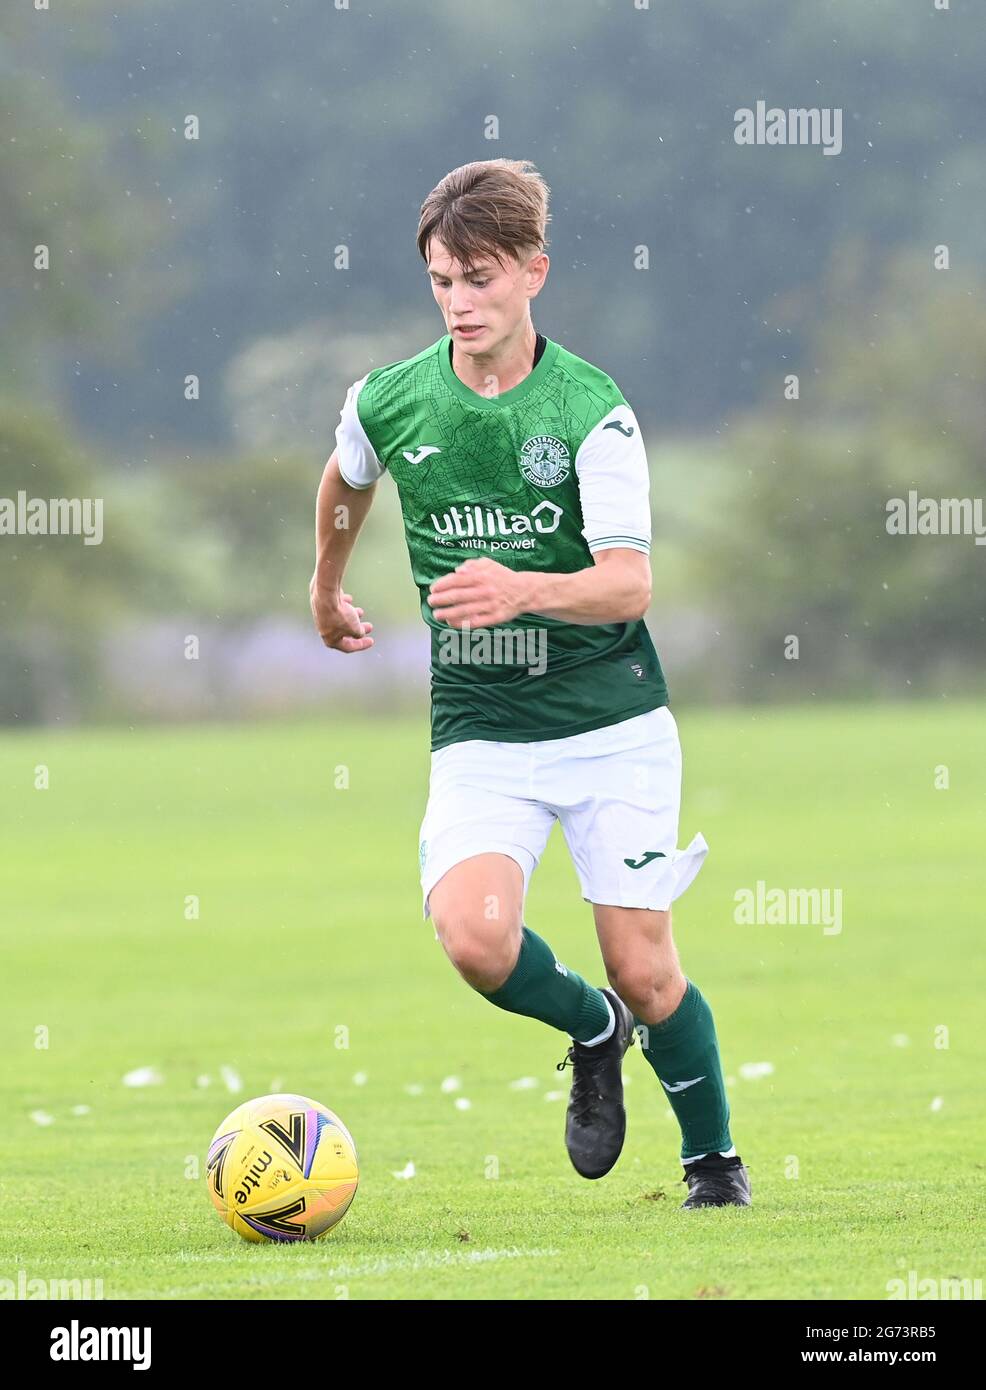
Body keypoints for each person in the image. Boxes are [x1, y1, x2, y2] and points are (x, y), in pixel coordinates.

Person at [310, 158, 750, 1208]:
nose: (460, 301)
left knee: (645, 965)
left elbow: (628, 584)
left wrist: (520, 588)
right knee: (472, 937)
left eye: (481, 276)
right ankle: (591, 1030)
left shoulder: (591, 409)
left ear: (533, 272)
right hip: (482, 728)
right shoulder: (390, 398)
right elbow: (345, 475)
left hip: (611, 724)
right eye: (440, 280)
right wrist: (325, 587)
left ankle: (712, 1164)